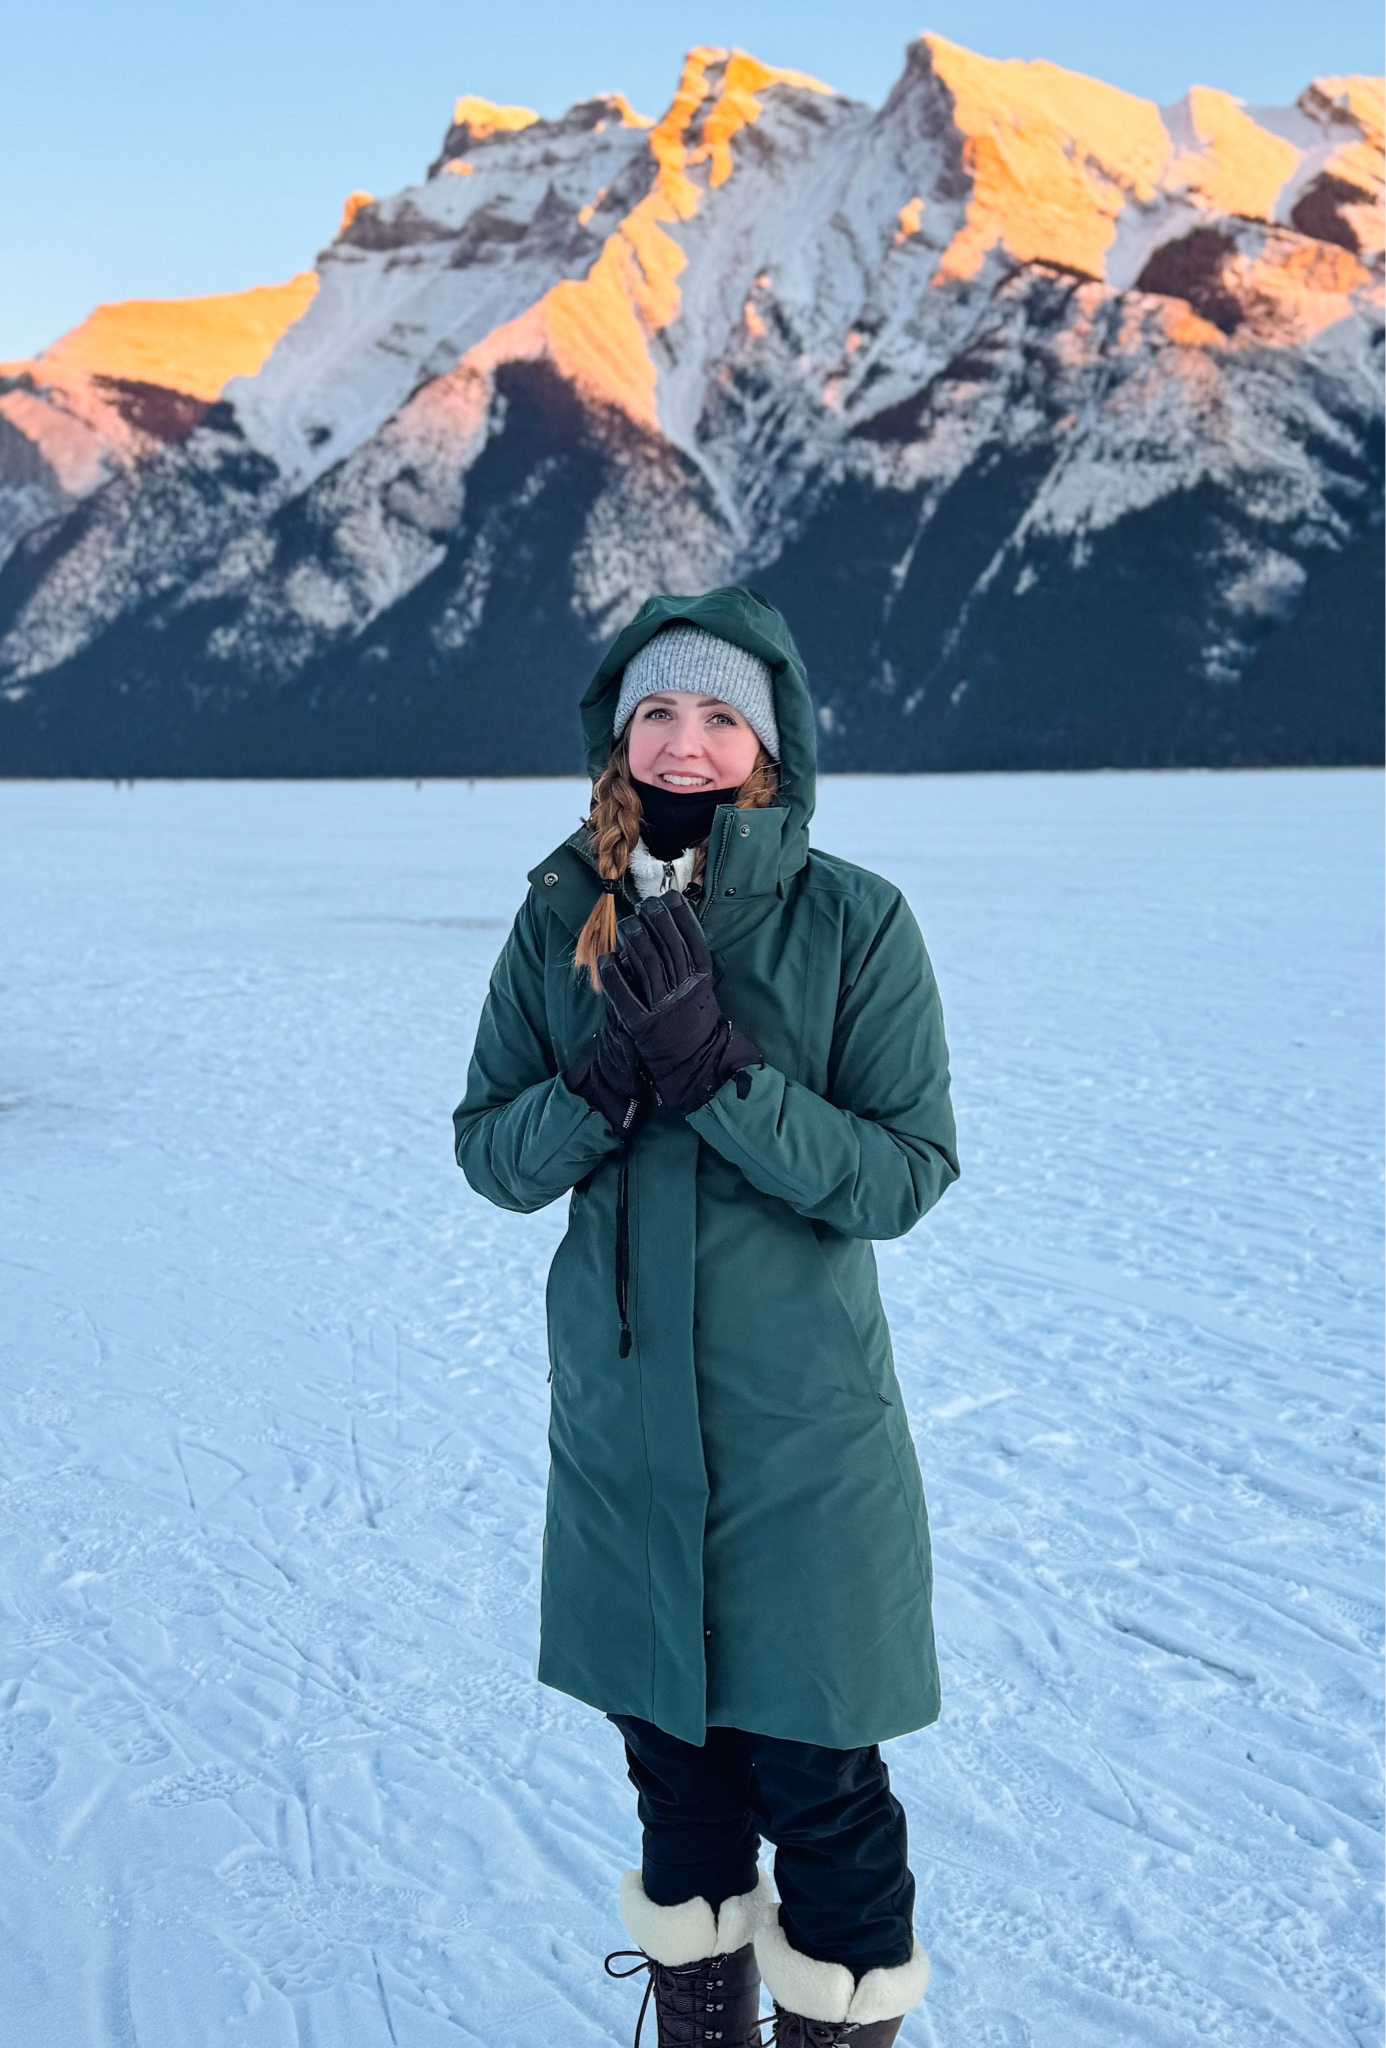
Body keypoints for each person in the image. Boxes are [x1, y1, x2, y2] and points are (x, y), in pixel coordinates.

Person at [453, 587, 959, 2046]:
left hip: (799, 1433)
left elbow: (902, 1175)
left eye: (718, 714)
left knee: (818, 1779)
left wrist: (725, 1078)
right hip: (623, 1432)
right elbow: (490, 1153)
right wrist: (601, 1088)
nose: (685, 743)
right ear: (620, 738)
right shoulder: (564, 909)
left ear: (770, 740)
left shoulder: (855, 921)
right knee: (673, 1773)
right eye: (657, 714)